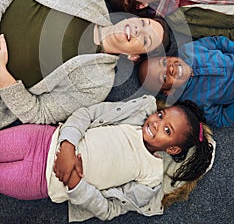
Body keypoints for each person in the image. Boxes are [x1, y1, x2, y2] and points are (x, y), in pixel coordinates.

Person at [0, 0, 171, 129]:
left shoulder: (97, 85)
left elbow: (40, 113)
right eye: (143, 23)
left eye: (146, 39)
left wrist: (3, 76)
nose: (138, 29)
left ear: (134, 56)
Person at [0, 95, 215, 222]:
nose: (156, 124)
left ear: (174, 150)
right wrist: (67, 146)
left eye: (167, 130)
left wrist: (76, 184)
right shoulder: (132, 118)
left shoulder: (150, 177)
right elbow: (87, 114)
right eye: (161, 115)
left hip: (42, 181)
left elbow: (109, 210)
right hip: (43, 140)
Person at [138, 36, 234, 128]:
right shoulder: (193, 101)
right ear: (169, 91)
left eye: (164, 62)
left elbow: (216, 42)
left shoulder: (188, 50)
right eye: (164, 77)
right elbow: (220, 119)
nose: (170, 68)